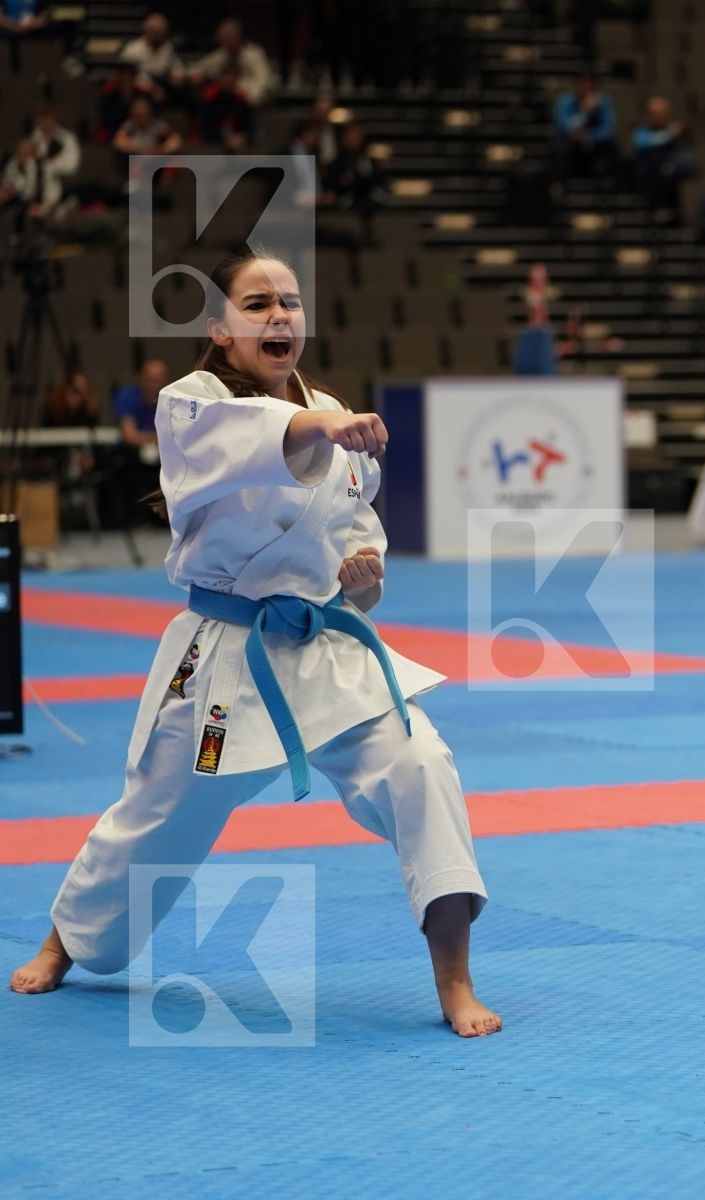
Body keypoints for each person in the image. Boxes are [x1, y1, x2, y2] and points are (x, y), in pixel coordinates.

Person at [8, 250, 503, 1037]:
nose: (279, 315)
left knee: (423, 767)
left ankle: (455, 981)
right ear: (221, 327)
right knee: (158, 815)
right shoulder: (190, 405)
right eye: (258, 303)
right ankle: (67, 944)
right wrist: (321, 425)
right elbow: (255, 436)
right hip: (228, 661)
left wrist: (362, 577)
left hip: (326, 650)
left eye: (290, 302)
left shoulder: (334, 415)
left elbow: (357, 562)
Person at [631, 97, 695, 219]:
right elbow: (644, 143)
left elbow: (686, 152)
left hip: (671, 176)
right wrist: (670, 134)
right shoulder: (641, 131)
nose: (660, 117)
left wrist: (680, 134)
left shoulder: (675, 130)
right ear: (648, 115)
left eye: (663, 113)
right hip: (649, 175)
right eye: (656, 114)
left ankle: (675, 211)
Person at [553, 73, 620, 182]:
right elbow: (564, 126)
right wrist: (585, 111)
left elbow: (608, 128)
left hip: (595, 141)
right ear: (577, 85)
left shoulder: (604, 101)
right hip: (572, 141)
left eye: (590, 83)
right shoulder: (565, 101)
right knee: (561, 142)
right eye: (583, 83)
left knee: (612, 142)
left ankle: (610, 184)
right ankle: (562, 185)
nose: (587, 86)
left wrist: (590, 137)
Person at [193, 17, 275, 107]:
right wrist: (198, 75)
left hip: (252, 105)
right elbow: (197, 68)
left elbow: (263, 85)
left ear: (238, 36)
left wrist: (236, 87)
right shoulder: (221, 54)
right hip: (225, 104)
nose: (225, 43)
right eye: (222, 39)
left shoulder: (254, 55)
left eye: (228, 37)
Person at [112, 95, 183, 159]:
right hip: (136, 159)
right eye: (138, 115)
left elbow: (176, 141)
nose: (141, 118)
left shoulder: (158, 126)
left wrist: (161, 149)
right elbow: (118, 141)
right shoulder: (129, 126)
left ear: (149, 112)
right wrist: (140, 149)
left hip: (156, 159)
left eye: (143, 114)